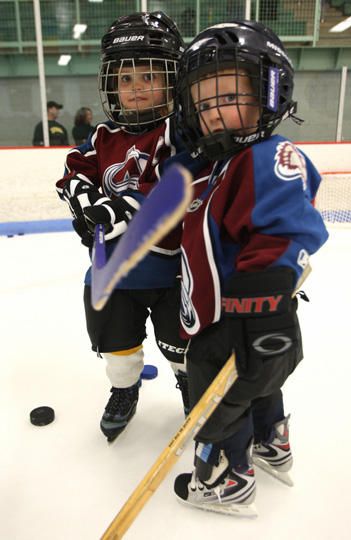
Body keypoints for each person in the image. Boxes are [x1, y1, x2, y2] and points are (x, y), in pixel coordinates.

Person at [170, 20, 329, 514]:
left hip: (240, 316)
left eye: (228, 95)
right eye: (203, 100)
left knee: (218, 400)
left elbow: (287, 227)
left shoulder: (265, 156)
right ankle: (271, 443)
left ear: (269, 91)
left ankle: (227, 477)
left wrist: (262, 305)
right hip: (231, 315)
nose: (213, 112)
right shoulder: (217, 164)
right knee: (259, 386)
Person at [55, 12, 191, 443]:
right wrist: (83, 201)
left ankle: (192, 388)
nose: (136, 89)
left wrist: (114, 211)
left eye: (149, 76)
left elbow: (171, 186)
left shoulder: (181, 134)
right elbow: (74, 170)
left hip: (172, 274)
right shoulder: (101, 137)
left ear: (174, 80)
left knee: (182, 349)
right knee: (118, 351)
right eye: (126, 79)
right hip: (113, 275)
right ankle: (124, 390)